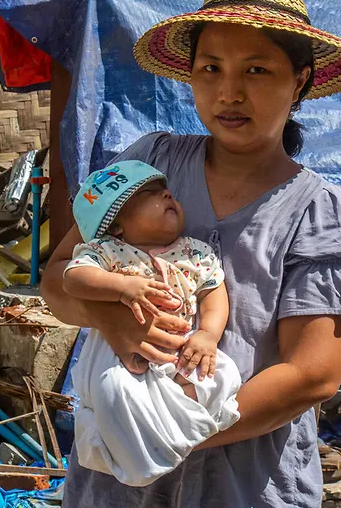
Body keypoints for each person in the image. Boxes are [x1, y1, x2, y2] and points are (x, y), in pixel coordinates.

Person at [41, 0, 341, 508]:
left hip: (244, 491)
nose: (229, 92)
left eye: (257, 70)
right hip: (117, 491)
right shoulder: (150, 164)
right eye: (210, 69)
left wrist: (171, 431)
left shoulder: (320, 211)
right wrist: (114, 323)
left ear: (301, 81)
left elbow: (313, 372)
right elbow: (57, 279)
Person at [63, 160, 242, 487]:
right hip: (119, 354)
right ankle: (138, 454)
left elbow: (213, 293)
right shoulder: (108, 251)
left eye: (167, 191)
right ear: (116, 224)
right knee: (114, 391)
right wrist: (121, 287)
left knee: (225, 375)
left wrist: (207, 334)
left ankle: (178, 425)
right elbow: (73, 279)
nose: (168, 195)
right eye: (152, 194)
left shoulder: (194, 253)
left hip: (179, 349)